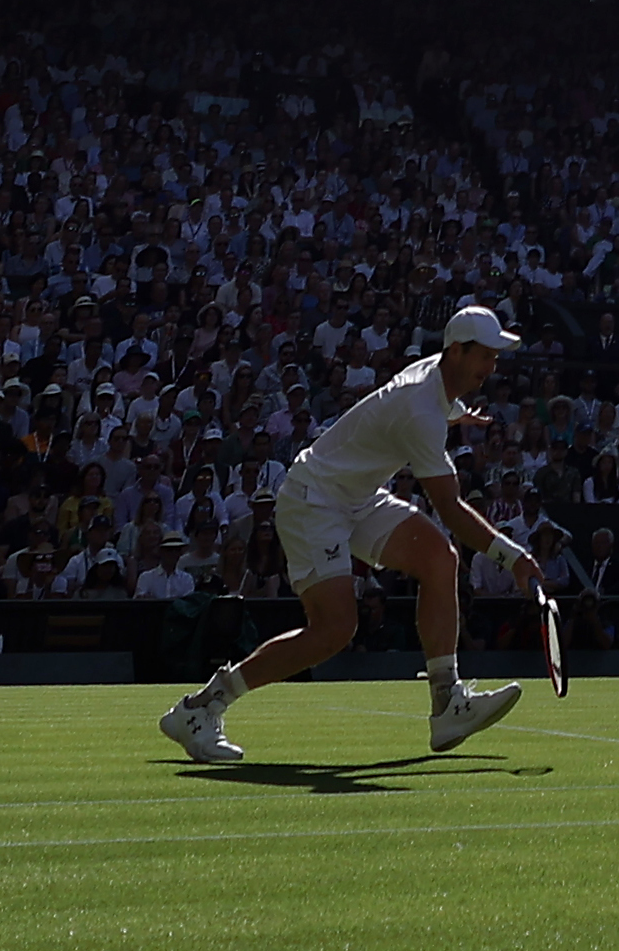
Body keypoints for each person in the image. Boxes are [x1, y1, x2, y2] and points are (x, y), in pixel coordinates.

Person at [156, 304, 532, 765]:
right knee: (334, 630)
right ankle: (198, 710)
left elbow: (409, 412)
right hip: (314, 499)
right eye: (485, 356)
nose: (492, 367)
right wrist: (512, 556)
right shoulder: (421, 412)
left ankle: (447, 703)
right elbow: (451, 509)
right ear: (456, 351)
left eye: (496, 356)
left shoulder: (435, 382)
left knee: (439, 558)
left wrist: (455, 417)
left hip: (357, 495)